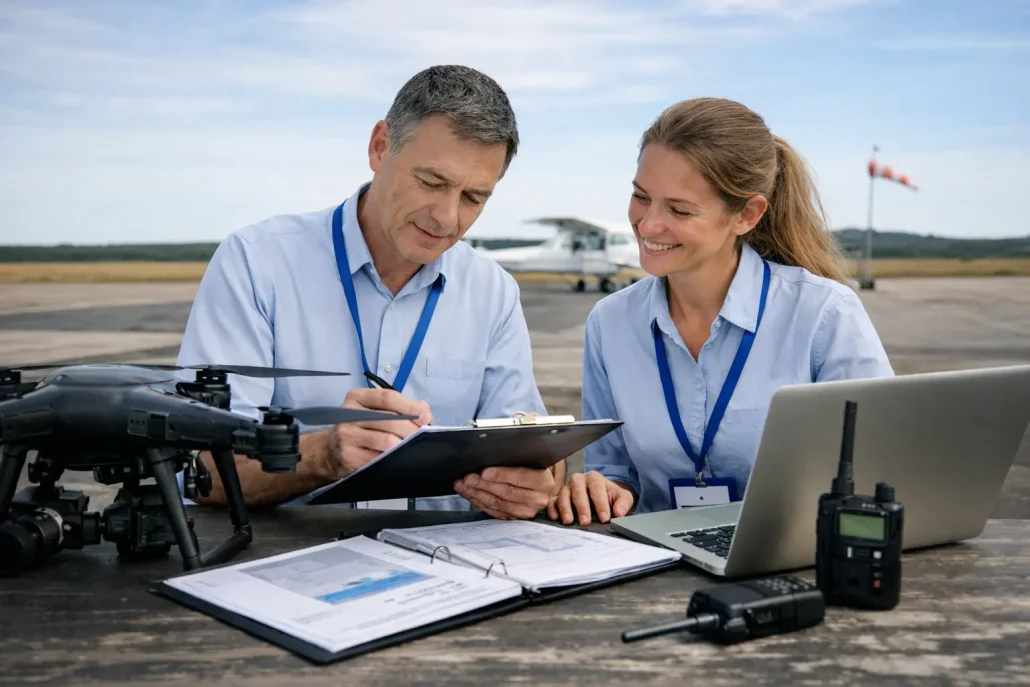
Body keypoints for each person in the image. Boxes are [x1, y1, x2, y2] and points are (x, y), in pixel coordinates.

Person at [175, 65, 562, 519]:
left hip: (450, 564)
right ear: (380, 147)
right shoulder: (257, 262)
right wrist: (318, 456)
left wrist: (536, 483)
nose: (448, 217)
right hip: (289, 562)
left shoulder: (493, 291)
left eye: (474, 197)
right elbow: (196, 469)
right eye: (432, 182)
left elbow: (535, 455)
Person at [548, 97, 894, 526]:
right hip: (654, 574)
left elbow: (878, 475)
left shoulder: (826, 314)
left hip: (792, 562)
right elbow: (616, 472)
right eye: (641, 197)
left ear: (746, 215)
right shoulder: (610, 322)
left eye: (679, 209)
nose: (648, 224)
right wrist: (602, 489)